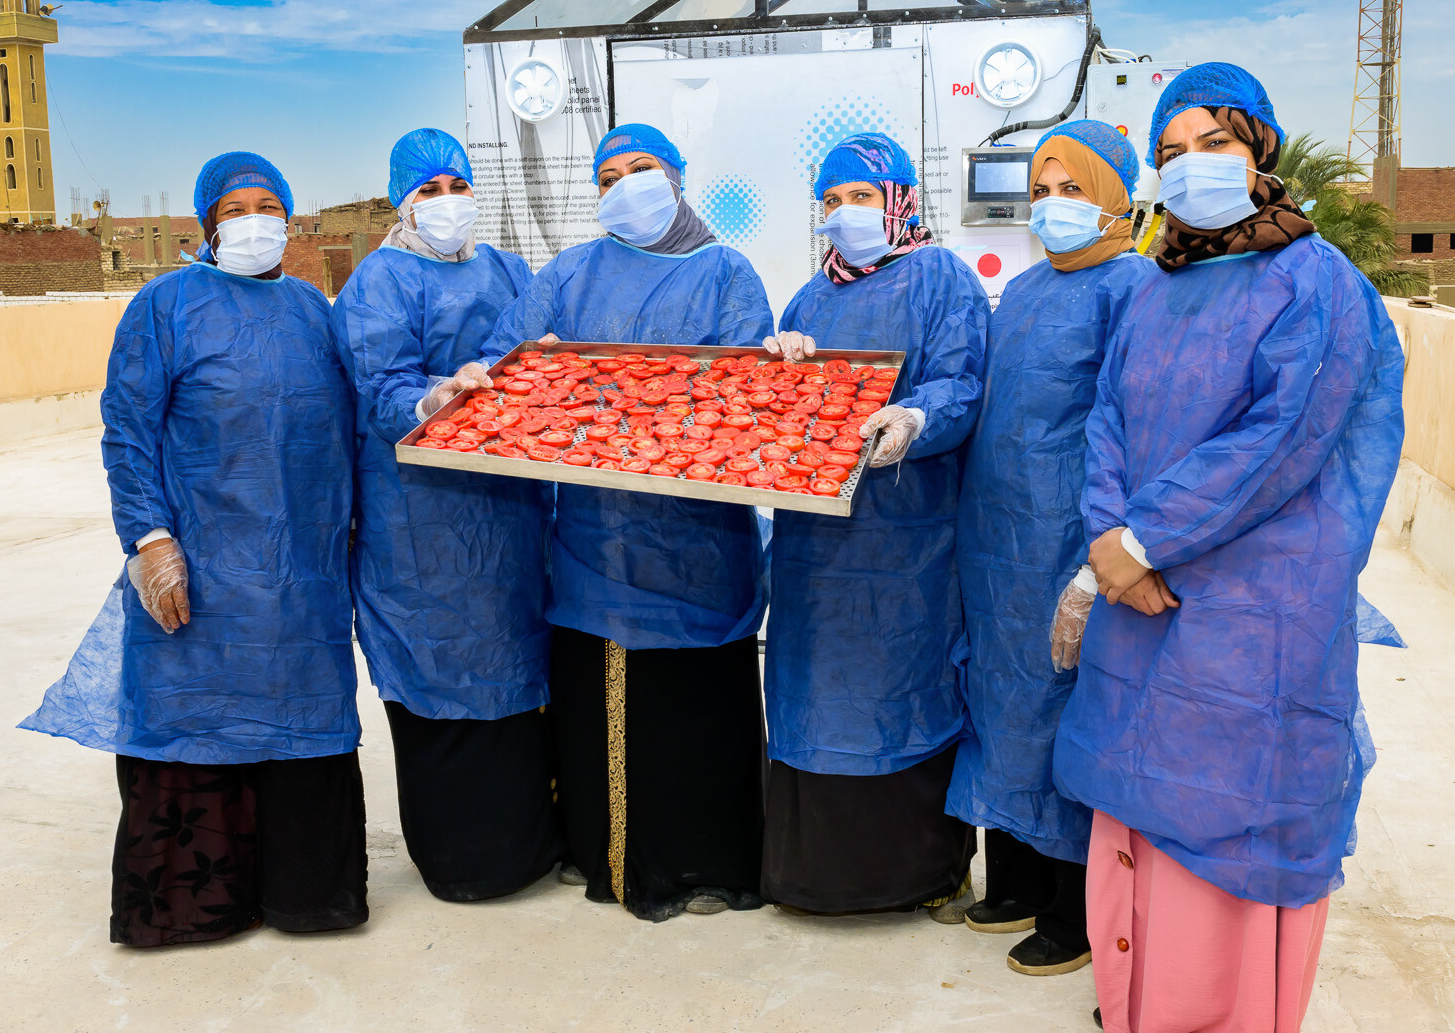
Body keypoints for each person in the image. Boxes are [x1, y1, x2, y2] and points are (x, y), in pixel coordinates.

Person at [1052, 64, 1404, 1033]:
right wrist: (1112, 541)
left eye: (1213, 144)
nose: (1189, 167)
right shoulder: (1156, 284)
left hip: (1254, 595)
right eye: (1169, 153)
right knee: (1140, 794)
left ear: (1260, 155)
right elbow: (1107, 420)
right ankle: (1138, 1004)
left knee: (1229, 814)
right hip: (1139, 580)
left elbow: (1283, 439)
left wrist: (1149, 541)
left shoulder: (1317, 282)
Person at [23, 151, 368, 947]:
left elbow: (349, 429)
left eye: (267, 204)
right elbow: (128, 431)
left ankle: (304, 896)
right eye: (234, 208)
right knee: (194, 722)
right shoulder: (164, 306)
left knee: (303, 725)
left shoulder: (316, 311)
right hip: (204, 571)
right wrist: (149, 540)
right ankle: (197, 908)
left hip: (303, 577)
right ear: (209, 225)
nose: (254, 220)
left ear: (289, 216)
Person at [475, 122, 774, 922]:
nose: (626, 184)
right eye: (609, 174)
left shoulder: (725, 272)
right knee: (614, 710)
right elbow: (507, 370)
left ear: (678, 176)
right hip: (598, 546)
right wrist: (504, 375)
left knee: (699, 713)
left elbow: (744, 401)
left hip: (702, 547)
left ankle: (714, 864)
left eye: (642, 167)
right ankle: (616, 863)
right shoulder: (567, 274)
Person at [328, 127, 561, 903]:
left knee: (516, 681)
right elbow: (379, 382)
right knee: (439, 682)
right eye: (428, 192)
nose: (446, 203)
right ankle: (460, 858)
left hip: (510, 521)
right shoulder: (379, 282)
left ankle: (530, 844)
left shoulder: (505, 268)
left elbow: (528, 359)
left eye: (456, 186)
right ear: (403, 202)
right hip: (419, 528)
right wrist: (432, 401)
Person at [760, 132, 988, 917]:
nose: (845, 214)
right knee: (816, 691)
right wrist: (778, 368)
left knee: (903, 687)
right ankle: (812, 875)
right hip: (813, 552)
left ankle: (919, 872)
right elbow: (782, 416)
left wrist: (919, 418)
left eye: (861, 196)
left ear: (899, 201)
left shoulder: (941, 279)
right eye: (831, 201)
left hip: (906, 541)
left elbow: (964, 381)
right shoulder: (808, 299)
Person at [946, 120, 1152, 976]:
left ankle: (1072, 912)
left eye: (1074, 189)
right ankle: (1016, 879)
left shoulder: (1132, 288)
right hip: (997, 542)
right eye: (1042, 190)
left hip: (1070, 538)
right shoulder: (1026, 291)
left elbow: (1135, 427)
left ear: (1116, 199)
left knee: (1063, 716)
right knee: (1000, 706)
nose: (1053, 206)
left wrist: (1100, 552)